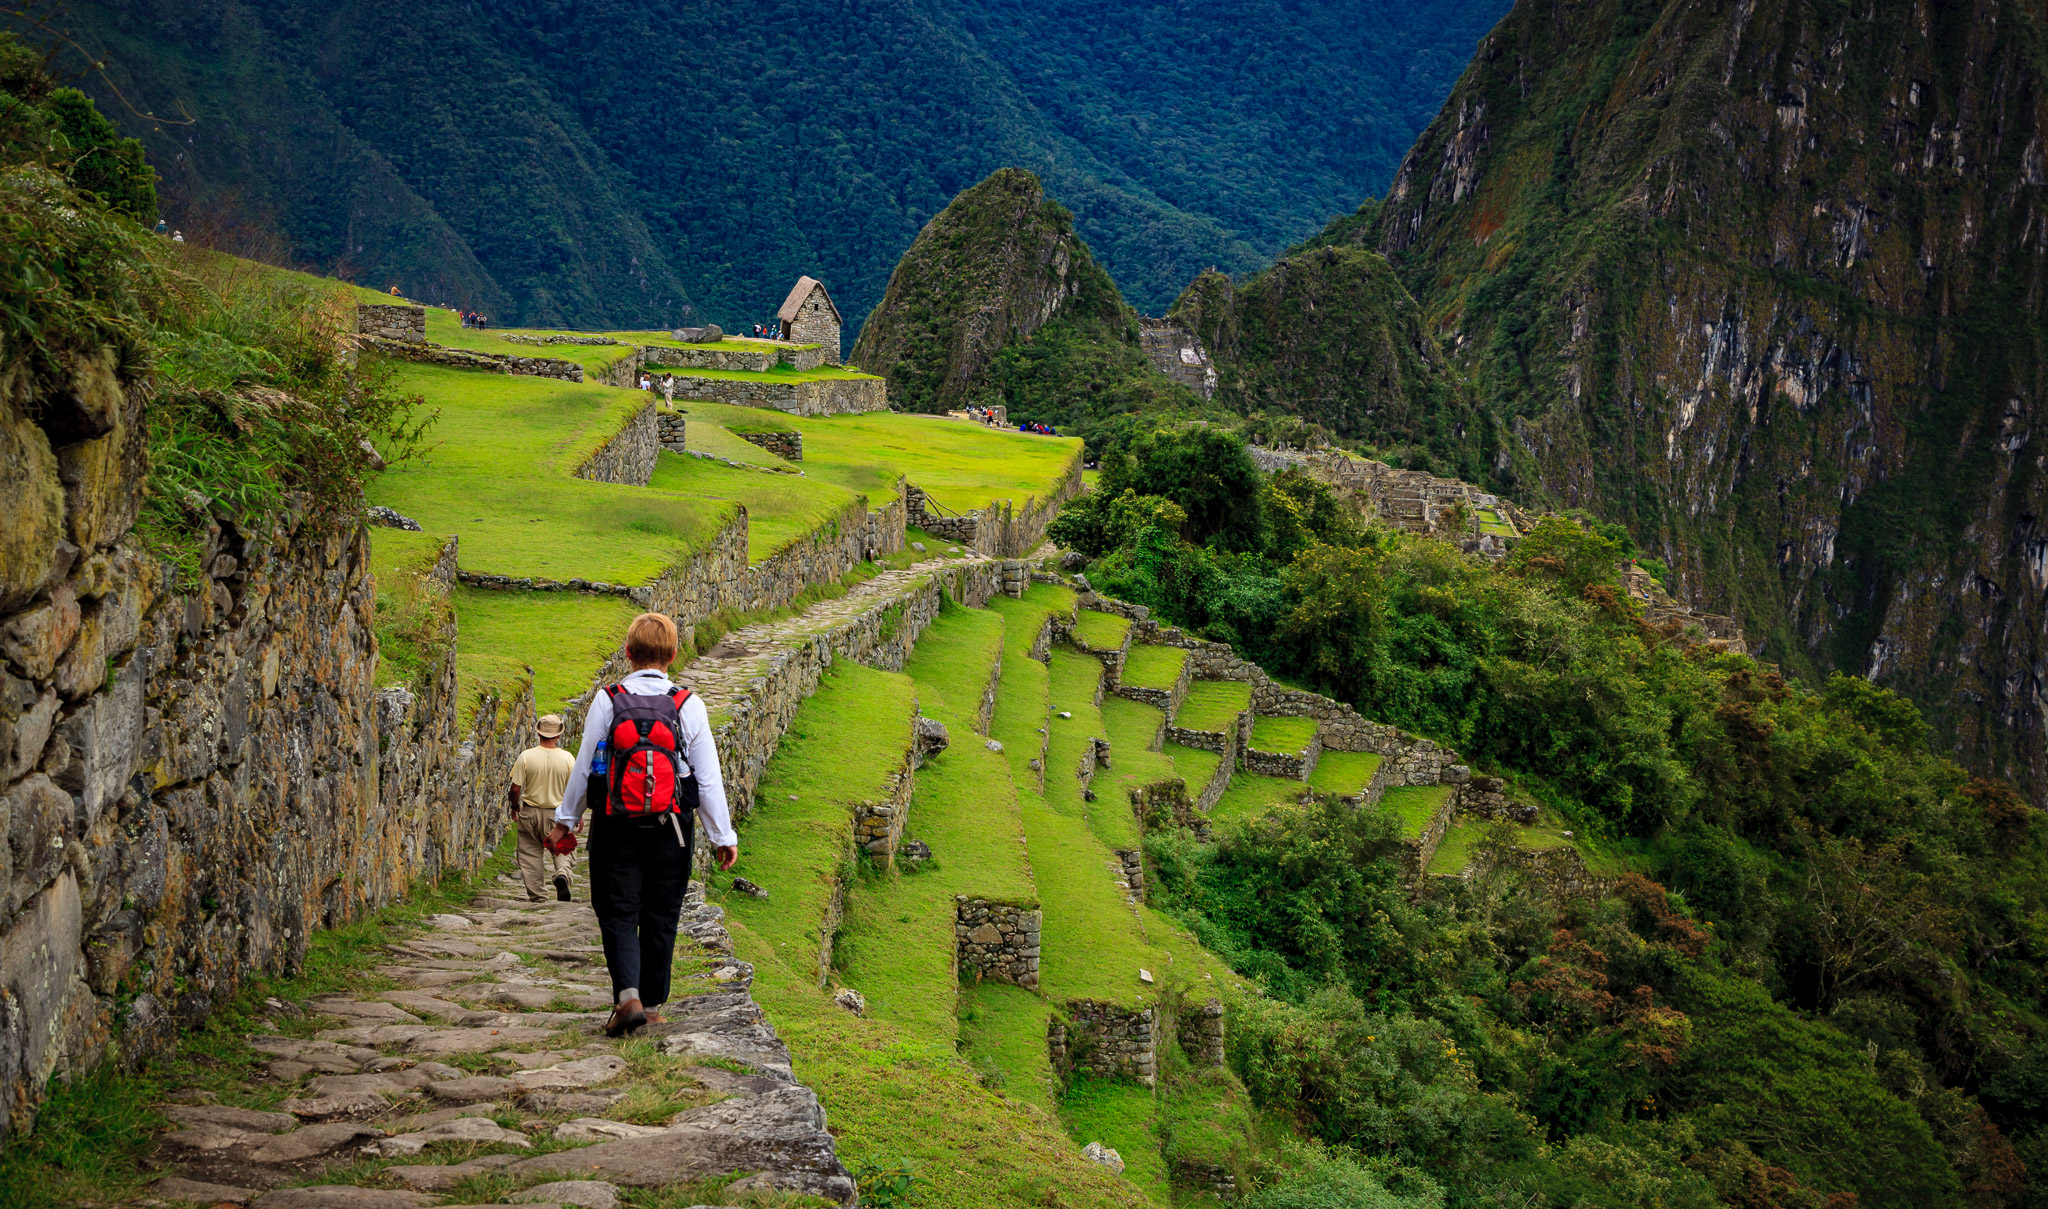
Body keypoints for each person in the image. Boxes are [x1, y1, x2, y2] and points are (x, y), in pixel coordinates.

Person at [553, 613, 738, 1037]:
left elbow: (585, 768)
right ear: (673, 655)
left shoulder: (609, 698)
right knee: (661, 913)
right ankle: (652, 1007)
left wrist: (566, 821)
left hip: (615, 824)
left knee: (618, 910)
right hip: (671, 828)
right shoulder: (686, 703)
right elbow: (708, 777)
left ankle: (628, 997)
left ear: (629, 653)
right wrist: (721, 836)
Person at [508, 715, 577, 901]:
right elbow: (574, 791)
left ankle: (538, 896)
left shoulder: (526, 756)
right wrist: (574, 816)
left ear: (538, 732)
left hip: (530, 812)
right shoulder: (568, 759)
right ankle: (562, 873)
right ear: (559, 735)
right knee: (563, 848)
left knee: (530, 854)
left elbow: (515, 788)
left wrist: (515, 806)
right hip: (558, 813)